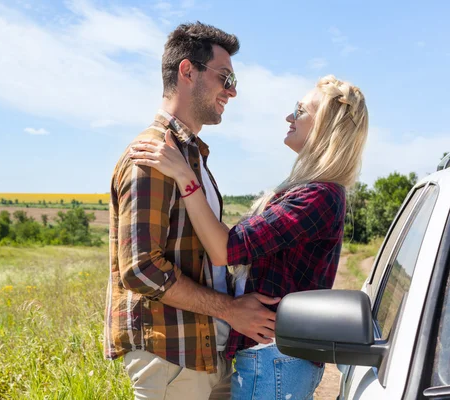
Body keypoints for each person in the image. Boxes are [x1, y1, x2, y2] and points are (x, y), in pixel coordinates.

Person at [129, 74, 369, 400]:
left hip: (275, 358)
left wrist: (185, 176)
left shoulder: (319, 196)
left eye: (300, 111)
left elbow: (226, 250)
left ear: (325, 126)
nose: (289, 117)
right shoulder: (313, 192)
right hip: (274, 358)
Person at [103, 22, 280, 400]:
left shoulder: (187, 157)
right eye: (225, 77)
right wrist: (231, 310)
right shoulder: (150, 157)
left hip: (202, 350)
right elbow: (141, 269)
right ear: (188, 71)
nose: (231, 91)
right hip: (171, 355)